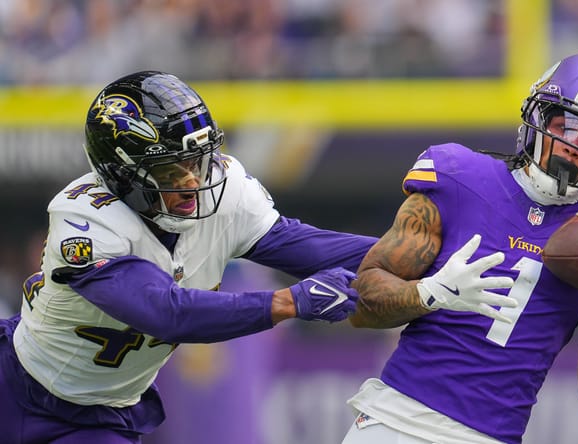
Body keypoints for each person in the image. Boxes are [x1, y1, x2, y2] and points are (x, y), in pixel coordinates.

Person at [0, 71, 377, 444]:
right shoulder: (86, 219)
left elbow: (308, 246)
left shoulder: (226, 195)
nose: (193, 182)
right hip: (12, 382)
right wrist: (288, 302)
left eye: (197, 162)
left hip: (97, 416)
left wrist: (424, 253)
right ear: (121, 174)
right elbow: (166, 313)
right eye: (170, 170)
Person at [341, 52, 578, 444]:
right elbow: (360, 307)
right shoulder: (458, 176)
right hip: (395, 421)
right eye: (565, 126)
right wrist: (428, 294)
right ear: (539, 117)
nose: (573, 146)